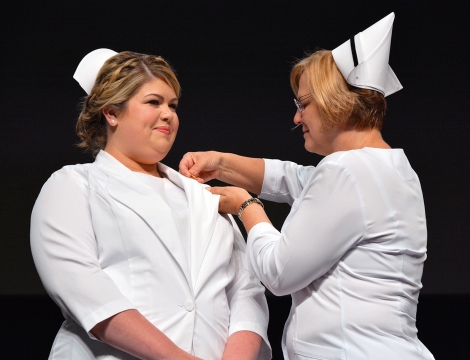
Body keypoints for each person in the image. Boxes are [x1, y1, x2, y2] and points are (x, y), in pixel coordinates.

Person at [180, 13, 434, 359]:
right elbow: (293, 179)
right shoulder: (390, 167)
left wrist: (245, 206)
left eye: (304, 104)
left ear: (336, 101)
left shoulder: (347, 171)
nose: (297, 117)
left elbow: (278, 272)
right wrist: (221, 162)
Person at [30, 48, 271, 360]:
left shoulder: (204, 197)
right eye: (153, 102)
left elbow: (245, 290)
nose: (168, 113)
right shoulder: (73, 187)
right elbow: (85, 290)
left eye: (173, 104)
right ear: (111, 112)